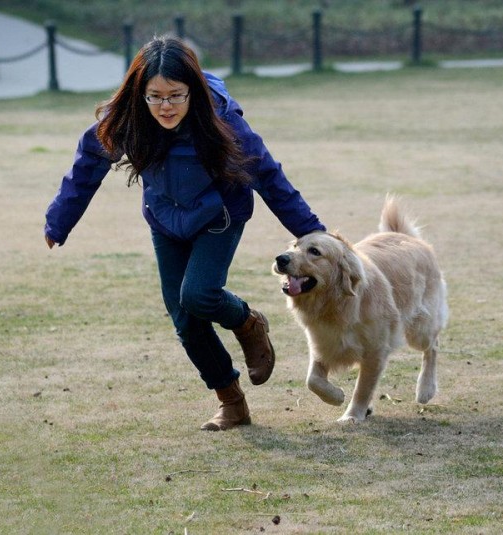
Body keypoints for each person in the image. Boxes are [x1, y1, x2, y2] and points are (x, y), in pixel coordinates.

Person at [44, 36, 325, 431]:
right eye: (155, 96)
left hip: (219, 216)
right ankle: (231, 402)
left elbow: (269, 176)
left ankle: (247, 323)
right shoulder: (126, 119)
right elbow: (87, 163)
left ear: (192, 89)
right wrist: (60, 220)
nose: (165, 106)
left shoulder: (224, 121)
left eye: (175, 95)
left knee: (198, 295)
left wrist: (313, 235)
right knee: (184, 318)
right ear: (140, 93)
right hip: (165, 218)